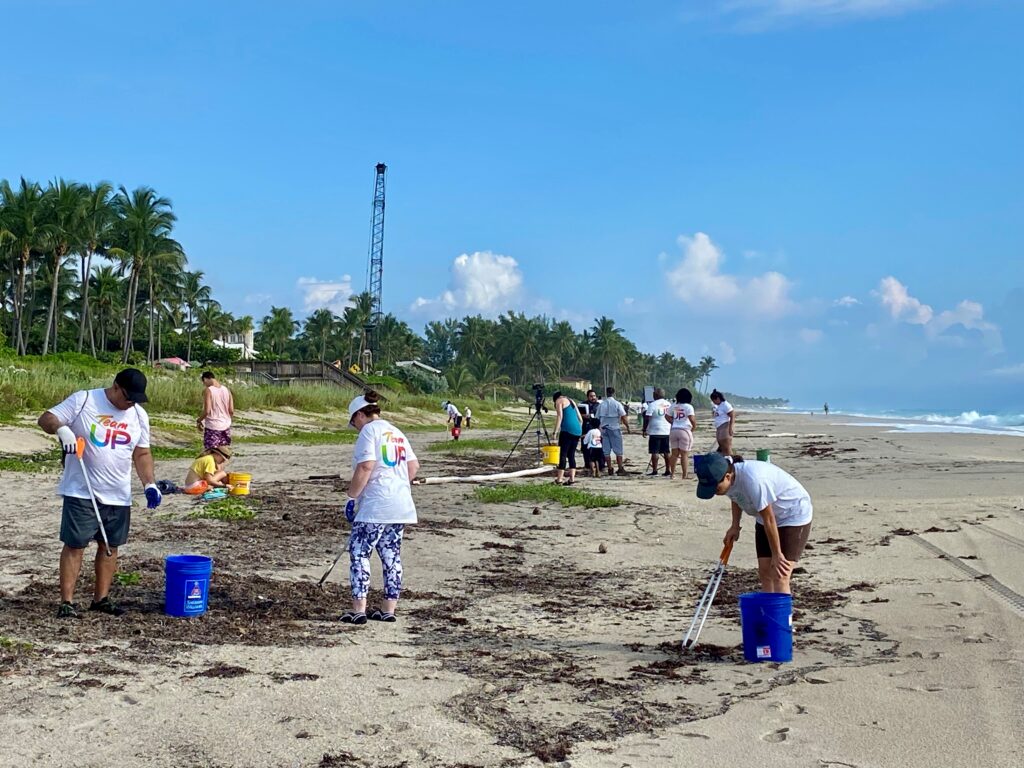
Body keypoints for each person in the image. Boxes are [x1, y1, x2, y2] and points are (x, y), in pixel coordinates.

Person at [37, 368, 162, 619]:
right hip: (82, 490)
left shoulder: (138, 415)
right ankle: (67, 602)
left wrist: (149, 483)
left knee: (110, 545)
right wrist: (62, 430)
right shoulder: (84, 400)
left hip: (118, 493)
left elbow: (142, 453)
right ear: (115, 386)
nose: (131, 403)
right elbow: (46, 419)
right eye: (128, 397)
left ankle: (101, 599)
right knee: (75, 544)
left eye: (136, 399)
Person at [342, 390, 420, 625]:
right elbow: (413, 467)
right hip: (400, 503)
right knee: (391, 555)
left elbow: (366, 466)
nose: (355, 427)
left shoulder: (369, 432)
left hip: (376, 504)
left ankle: (359, 609)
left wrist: (352, 497)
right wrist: (398, 483)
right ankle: (389, 609)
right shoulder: (396, 431)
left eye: (353, 422)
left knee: (359, 553)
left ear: (359, 416)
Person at [695, 453, 813, 594]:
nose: (715, 493)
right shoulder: (726, 477)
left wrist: (777, 554)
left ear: (728, 477)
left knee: (780, 574)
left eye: (716, 489)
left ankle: (782, 615)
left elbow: (769, 518)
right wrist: (735, 525)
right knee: (765, 571)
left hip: (792, 513)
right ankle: (767, 612)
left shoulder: (754, 480)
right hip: (765, 518)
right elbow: (736, 496)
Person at [595, 386, 632, 476]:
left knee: (606, 450)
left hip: (604, 429)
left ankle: (610, 468)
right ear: (613, 393)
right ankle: (620, 468)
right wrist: (627, 427)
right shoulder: (617, 404)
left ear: (606, 393)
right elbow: (623, 416)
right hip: (615, 428)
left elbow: (597, 418)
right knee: (618, 450)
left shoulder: (601, 404)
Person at [552, 391, 583, 485]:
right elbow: (580, 419)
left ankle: (559, 479)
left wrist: (555, 432)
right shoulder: (571, 401)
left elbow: (559, 416)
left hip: (567, 430)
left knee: (563, 454)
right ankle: (572, 479)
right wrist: (578, 429)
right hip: (577, 430)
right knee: (571, 455)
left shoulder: (559, 401)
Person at [197, 371, 234, 451]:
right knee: (223, 454)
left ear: (205, 379)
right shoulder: (227, 390)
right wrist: (226, 419)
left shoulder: (209, 390)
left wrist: (199, 420)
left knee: (211, 452)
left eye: (204, 382)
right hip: (226, 426)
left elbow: (207, 410)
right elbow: (231, 410)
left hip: (213, 426)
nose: (204, 384)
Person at [667, 388, 697, 479]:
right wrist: (693, 427)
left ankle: (672, 474)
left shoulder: (674, 406)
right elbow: (692, 419)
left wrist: (673, 422)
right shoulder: (688, 407)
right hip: (684, 430)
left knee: (674, 454)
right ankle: (684, 475)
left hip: (674, 430)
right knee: (684, 454)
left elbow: (667, 416)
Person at [643, 388, 672, 477]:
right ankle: (668, 469)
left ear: (656, 395)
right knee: (666, 451)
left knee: (654, 451)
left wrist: (644, 429)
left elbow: (647, 417)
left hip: (655, 430)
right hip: (666, 430)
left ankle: (655, 470)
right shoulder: (668, 404)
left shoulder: (652, 405)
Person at [710, 389, 736, 455]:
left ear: (718, 398)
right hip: (719, 428)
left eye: (714, 400)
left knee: (727, 448)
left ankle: (731, 462)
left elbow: (732, 415)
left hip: (725, 427)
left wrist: (731, 428)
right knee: (722, 447)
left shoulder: (725, 405)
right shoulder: (717, 406)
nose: (713, 402)